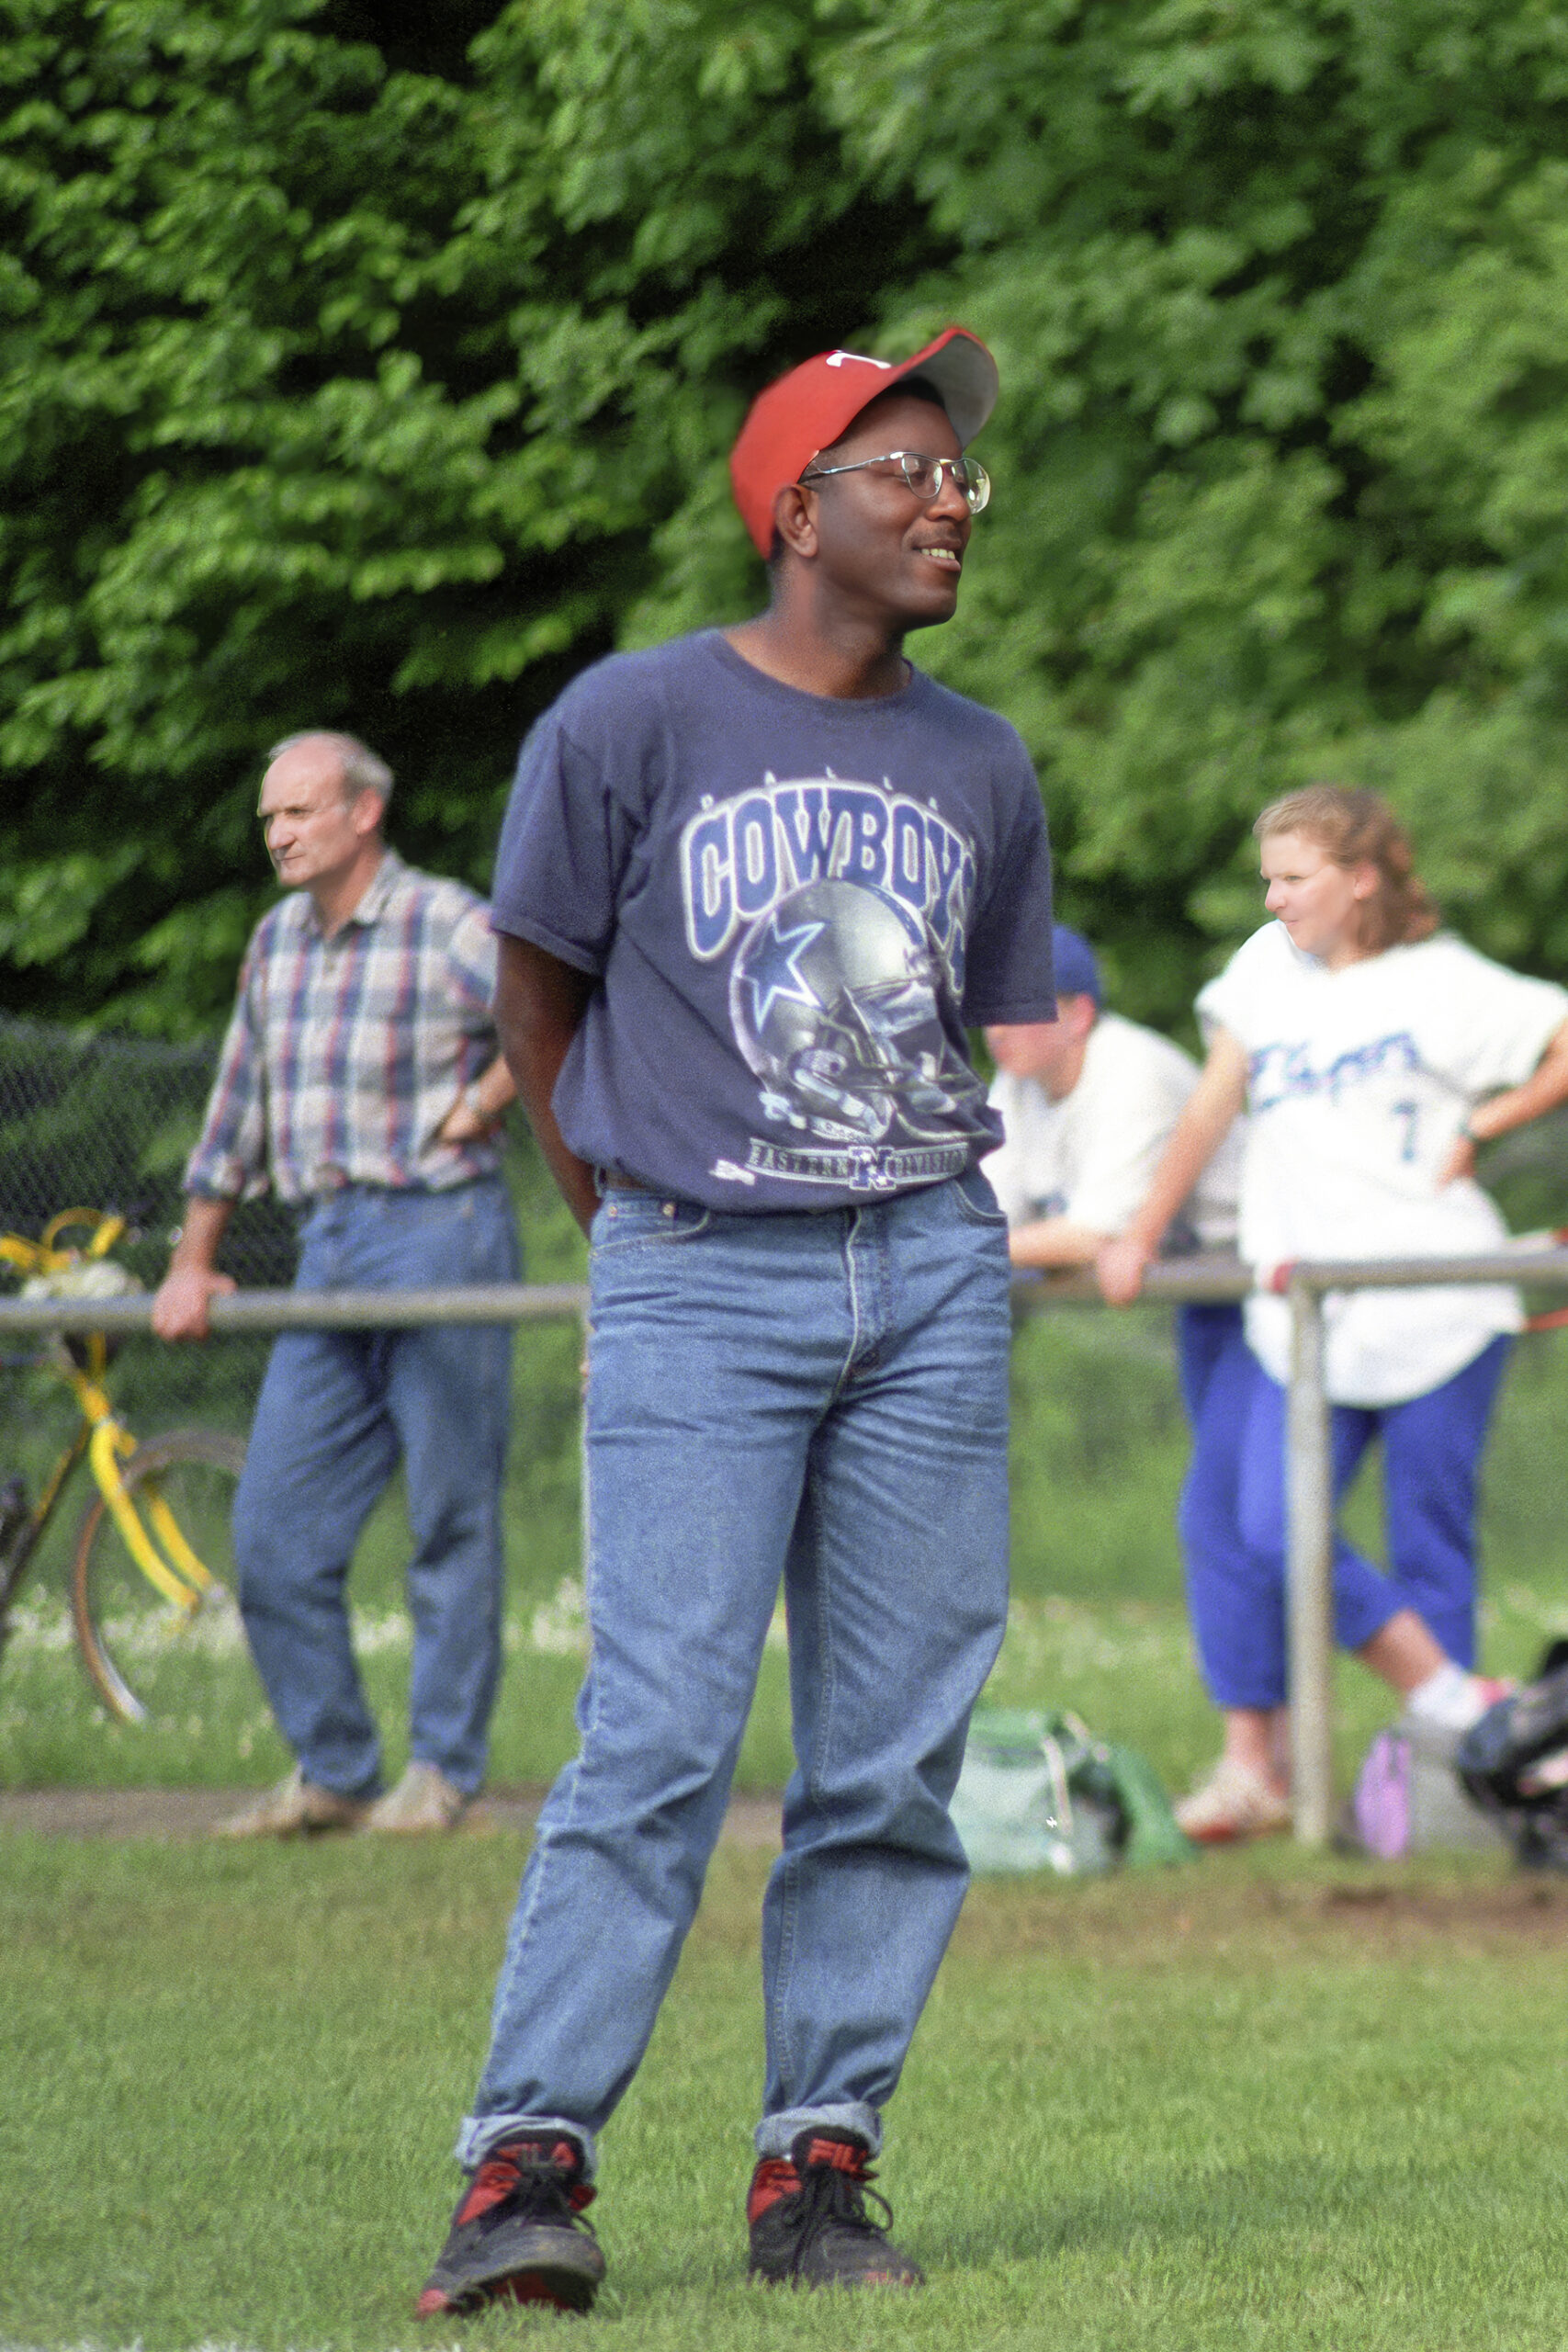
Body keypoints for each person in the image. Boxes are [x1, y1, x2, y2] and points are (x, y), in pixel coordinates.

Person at [414, 331, 1055, 2318]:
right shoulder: (629, 718)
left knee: (889, 1758)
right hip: (699, 1269)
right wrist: (624, 1210)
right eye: (905, 472)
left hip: (926, 1267)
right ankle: (524, 2167)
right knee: (659, 1735)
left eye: (958, 478)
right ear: (795, 510)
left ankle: (818, 2164)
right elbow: (538, 988)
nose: (948, 504)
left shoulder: (979, 758)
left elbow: (962, 1027)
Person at [1099, 786, 1568, 1841]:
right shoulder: (1266, 973)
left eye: (1293, 878)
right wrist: (1141, 1229)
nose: (1273, 899)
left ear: (1359, 880)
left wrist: (1486, 1123)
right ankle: (1450, 1702)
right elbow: (1212, 1104)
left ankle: (1441, 1808)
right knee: (1271, 1526)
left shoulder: (1443, 981)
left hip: (1439, 1308)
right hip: (1306, 1323)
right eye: (1266, 878)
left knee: (1430, 1546)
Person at [152, 730, 521, 1838]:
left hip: (440, 1232)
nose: (279, 834)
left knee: (450, 1518)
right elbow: (234, 1110)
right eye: (270, 817)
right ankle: (336, 1773)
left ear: (364, 812)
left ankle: (441, 1779)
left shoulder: (445, 919)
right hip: (328, 1246)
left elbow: (564, 1005)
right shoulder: (275, 943)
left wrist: (485, 1099)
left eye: (299, 812)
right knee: (272, 1530)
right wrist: (191, 1258)